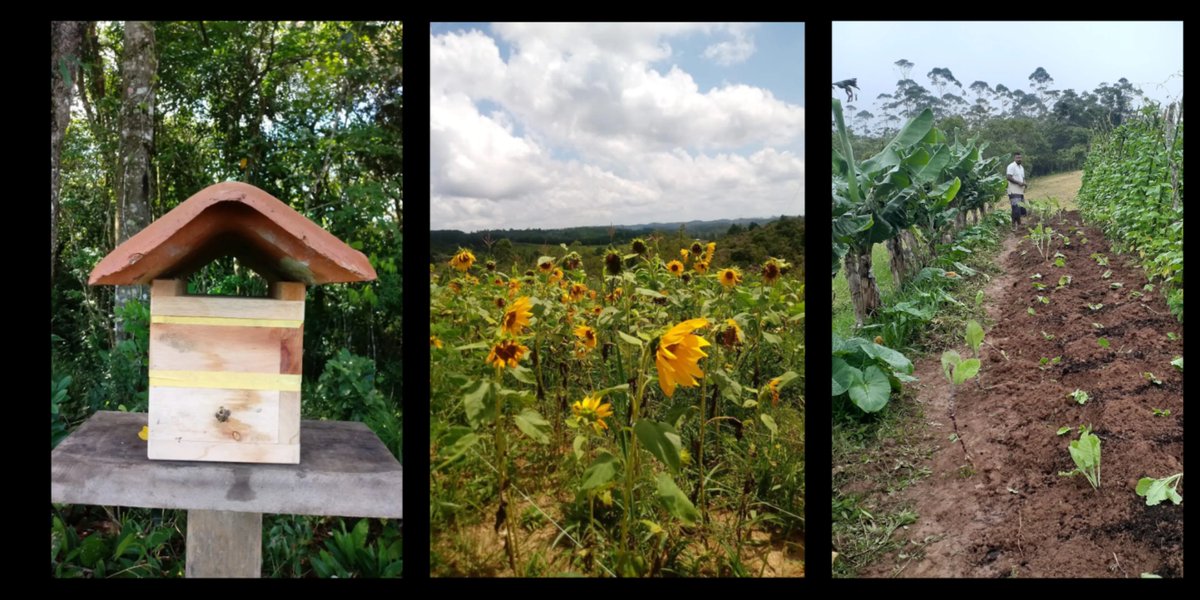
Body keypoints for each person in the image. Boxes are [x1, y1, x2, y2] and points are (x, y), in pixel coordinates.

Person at [1006, 152, 1027, 226]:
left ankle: (1019, 225)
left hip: (1020, 190)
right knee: (1016, 208)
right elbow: (1008, 177)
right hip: (1013, 190)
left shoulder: (1021, 168)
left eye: (1020, 158)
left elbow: (1023, 178)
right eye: (1017, 158)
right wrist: (1018, 183)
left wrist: (1024, 183)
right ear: (1014, 158)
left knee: (1021, 209)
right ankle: (1014, 225)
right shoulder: (1011, 166)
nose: (1019, 159)